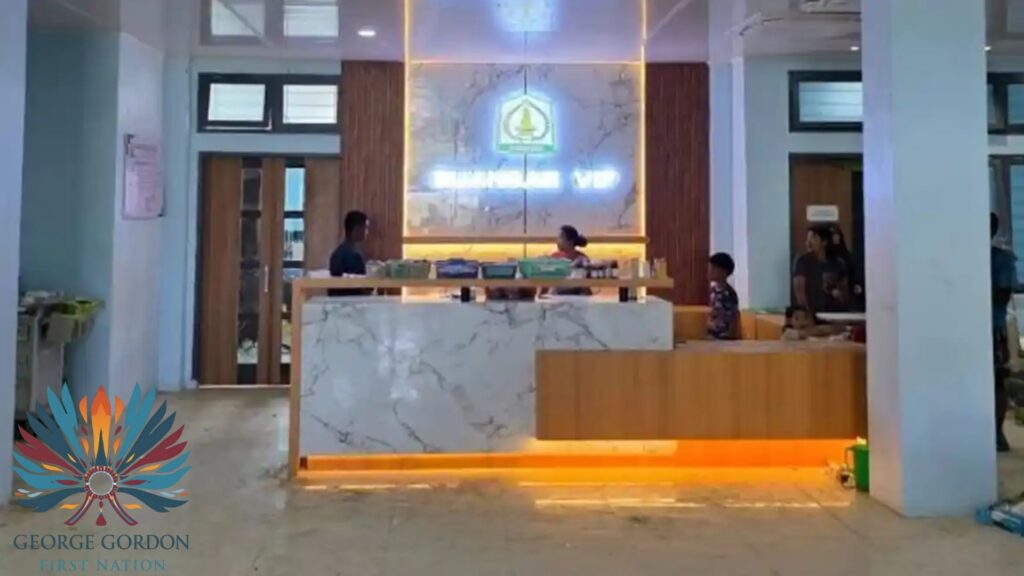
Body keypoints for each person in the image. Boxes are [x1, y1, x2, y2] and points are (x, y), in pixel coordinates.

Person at [991, 213, 1017, 452]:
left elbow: (1003, 292)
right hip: (977, 328)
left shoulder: (1001, 259)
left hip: (993, 327)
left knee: (997, 379)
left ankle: (997, 432)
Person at [793, 225, 848, 313]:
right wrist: (807, 313)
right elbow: (799, 292)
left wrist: (840, 295)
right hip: (812, 313)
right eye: (807, 239)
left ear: (824, 242)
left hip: (835, 313)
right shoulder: (803, 262)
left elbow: (844, 291)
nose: (808, 242)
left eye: (813, 238)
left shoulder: (838, 263)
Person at [328, 211, 372, 297]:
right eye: (366, 228)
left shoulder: (337, 253)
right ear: (357, 229)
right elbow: (361, 287)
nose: (367, 232)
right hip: (352, 302)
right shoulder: (353, 256)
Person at [828, 225, 863, 309]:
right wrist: (831, 289)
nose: (835, 237)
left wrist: (855, 284)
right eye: (833, 235)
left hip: (846, 291)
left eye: (837, 234)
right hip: (830, 294)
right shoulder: (825, 255)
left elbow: (851, 271)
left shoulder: (846, 254)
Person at [550, 225, 591, 296]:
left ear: (570, 242)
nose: (557, 241)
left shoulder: (583, 259)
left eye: (561, 238)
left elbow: (585, 285)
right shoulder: (554, 257)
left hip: (578, 296)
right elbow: (546, 282)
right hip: (556, 297)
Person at [707, 253, 740, 340]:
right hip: (711, 336)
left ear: (724, 272)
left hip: (723, 339)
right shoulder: (712, 290)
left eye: (714, 268)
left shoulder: (729, 294)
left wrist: (731, 340)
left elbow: (734, 319)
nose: (710, 271)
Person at [781, 305, 848, 341]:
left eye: (806, 317)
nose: (802, 321)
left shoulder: (832, 334)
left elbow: (840, 328)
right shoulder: (788, 335)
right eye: (796, 318)